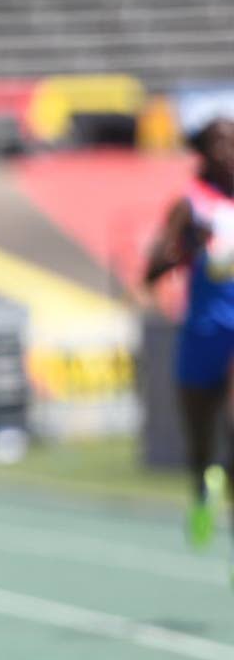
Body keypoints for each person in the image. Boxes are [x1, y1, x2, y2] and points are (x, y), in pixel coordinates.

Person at [144, 116, 234, 554]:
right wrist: (185, 249)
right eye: (220, 142)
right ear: (204, 151)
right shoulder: (191, 204)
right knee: (201, 445)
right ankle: (202, 492)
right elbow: (153, 269)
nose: (229, 150)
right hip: (201, 334)